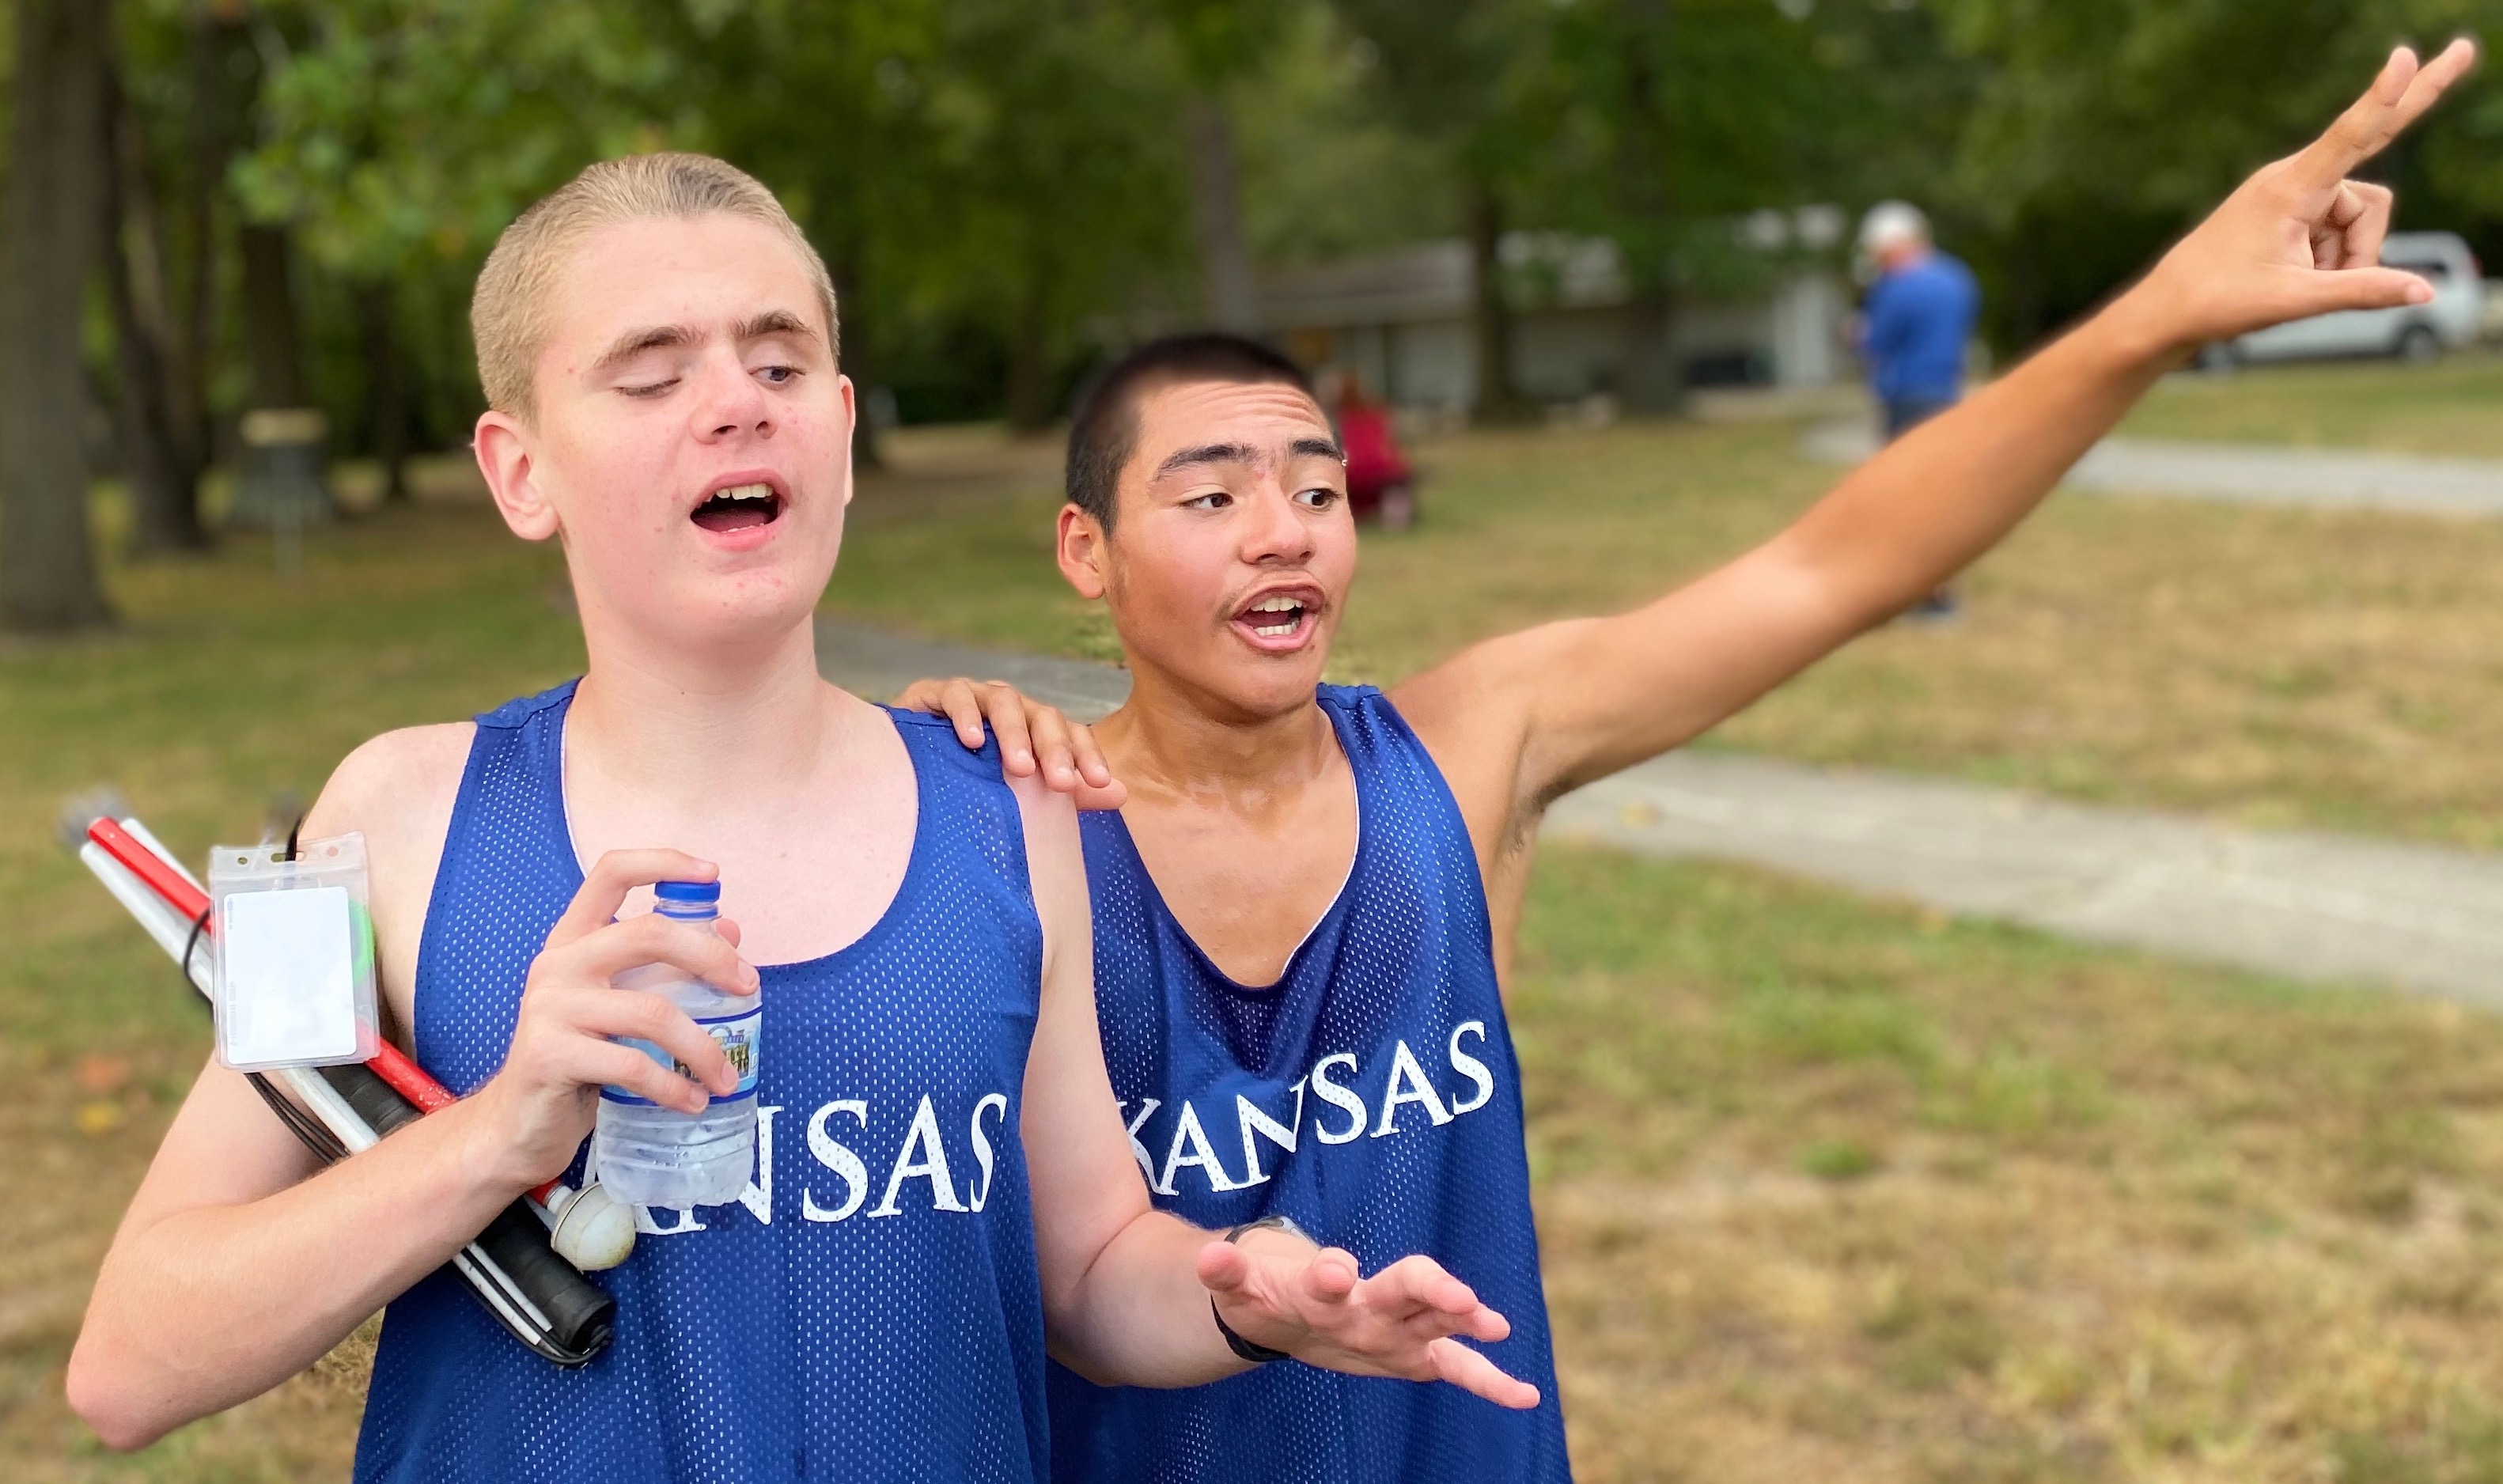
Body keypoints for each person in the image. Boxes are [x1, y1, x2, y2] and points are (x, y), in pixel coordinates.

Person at [899, 44, 2477, 1484]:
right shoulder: (997, 819)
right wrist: (909, 744)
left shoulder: (1466, 748)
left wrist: (2157, 315)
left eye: (1314, 483)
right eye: (1211, 492)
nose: (1281, 526)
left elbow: (1829, 568)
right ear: (1083, 553)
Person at [65, 153, 1539, 1483]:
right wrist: (500, 1134)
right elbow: (134, 1360)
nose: (733, 401)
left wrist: (1241, 1295)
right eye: (650, 374)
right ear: (519, 471)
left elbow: (1092, 1272)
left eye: (780, 359)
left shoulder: (1012, 816)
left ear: (834, 427)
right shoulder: (389, 815)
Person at [1856, 199, 1983, 618]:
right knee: (1938, 491)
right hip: (1945, 393)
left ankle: (1931, 595)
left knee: (1906, 495)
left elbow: (1876, 345)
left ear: (1891, 245)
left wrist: (1855, 336)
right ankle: (1934, 589)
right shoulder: (1956, 277)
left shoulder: (1895, 286)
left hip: (1905, 397)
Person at [1315, 366, 1417, 529]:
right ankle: (1395, 514)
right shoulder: (1379, 414)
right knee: (1397, 475)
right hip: (1383, 469)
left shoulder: (1333, 418)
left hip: (1350, 471)